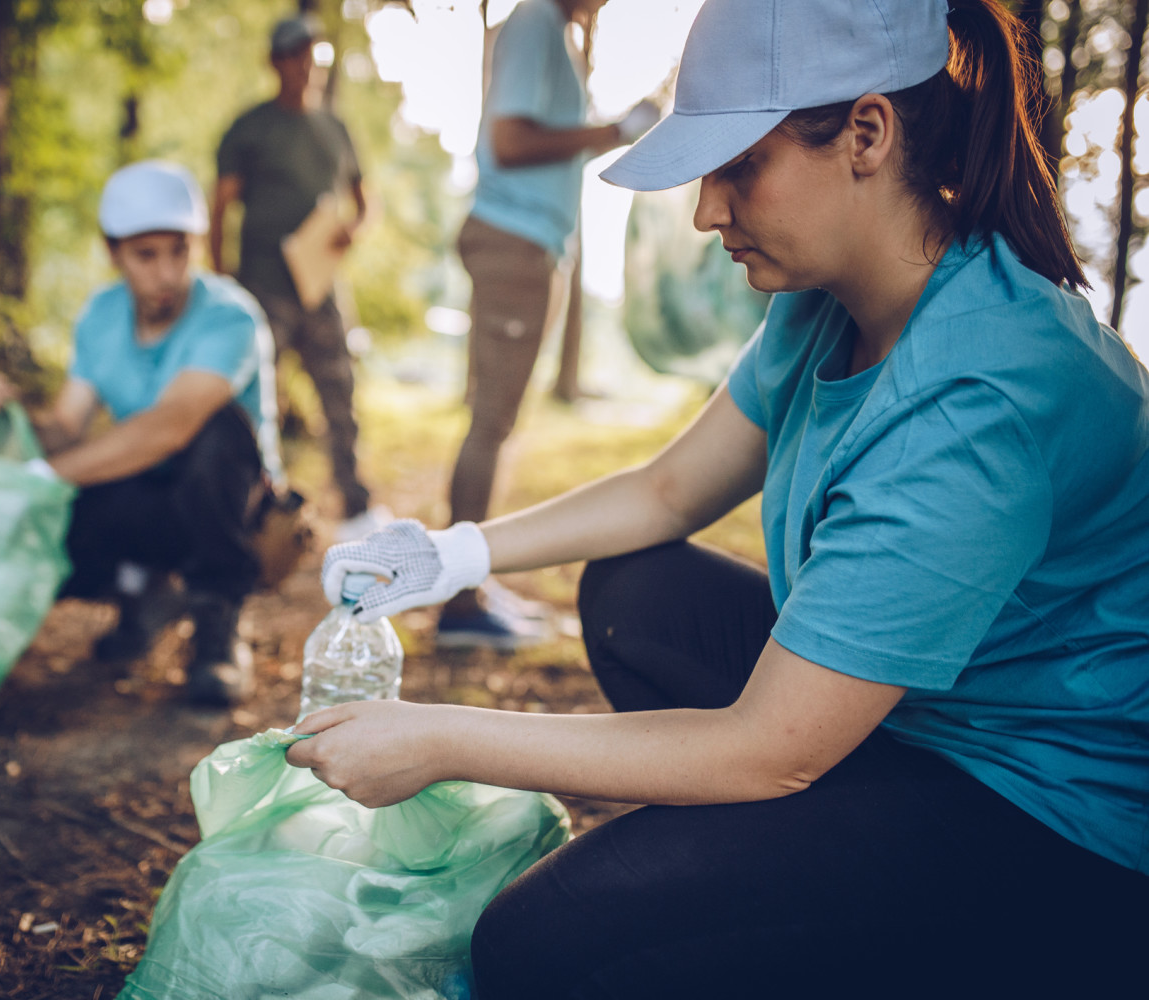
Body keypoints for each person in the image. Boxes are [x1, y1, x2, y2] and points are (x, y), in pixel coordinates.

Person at [291, 0, 1149, 994]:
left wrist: (440, 739)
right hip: (904, 726)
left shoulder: (980, 394)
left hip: (1049, 821)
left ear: (866, 133)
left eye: (739, 165)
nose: (706, 210)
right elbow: (664, 491)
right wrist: (451, 553)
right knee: (634, 595)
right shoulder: (826, 298)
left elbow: (764, 750)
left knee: (536, 948)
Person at [0, 160, 281, 707]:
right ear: (112, 251)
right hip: (153, 495)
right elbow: (67, 428)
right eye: (146, 255)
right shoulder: (101, 314)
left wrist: (40, 477)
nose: (167, 272)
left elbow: (171, 426)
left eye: (179, 250)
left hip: (238, 509)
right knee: (72, 507)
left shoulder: (230, 316)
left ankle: (218, 631)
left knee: (215, 429)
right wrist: (15, 418)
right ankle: (143, 595)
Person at [439, 0, 657, 649]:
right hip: (513, 240)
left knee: (499, 424)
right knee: (490, 423)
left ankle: (470, 582)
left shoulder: (552, 30)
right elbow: (511, 140)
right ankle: (457, 602)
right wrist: (612, 131)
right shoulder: (536, 21)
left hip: (530, 244)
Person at [210, 15, 388, 544]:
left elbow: (364, 200)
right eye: (293, 54)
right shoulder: (251, 128)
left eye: (311, 53)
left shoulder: (334, 127)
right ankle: (245, 505)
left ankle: (354, 505)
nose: (303, 64)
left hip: (321, 287)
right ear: (275, 61)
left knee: (341, 392)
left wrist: (353, 229)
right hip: (262, 285)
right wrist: (221, 286)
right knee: (253, 398)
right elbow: (220, 210)